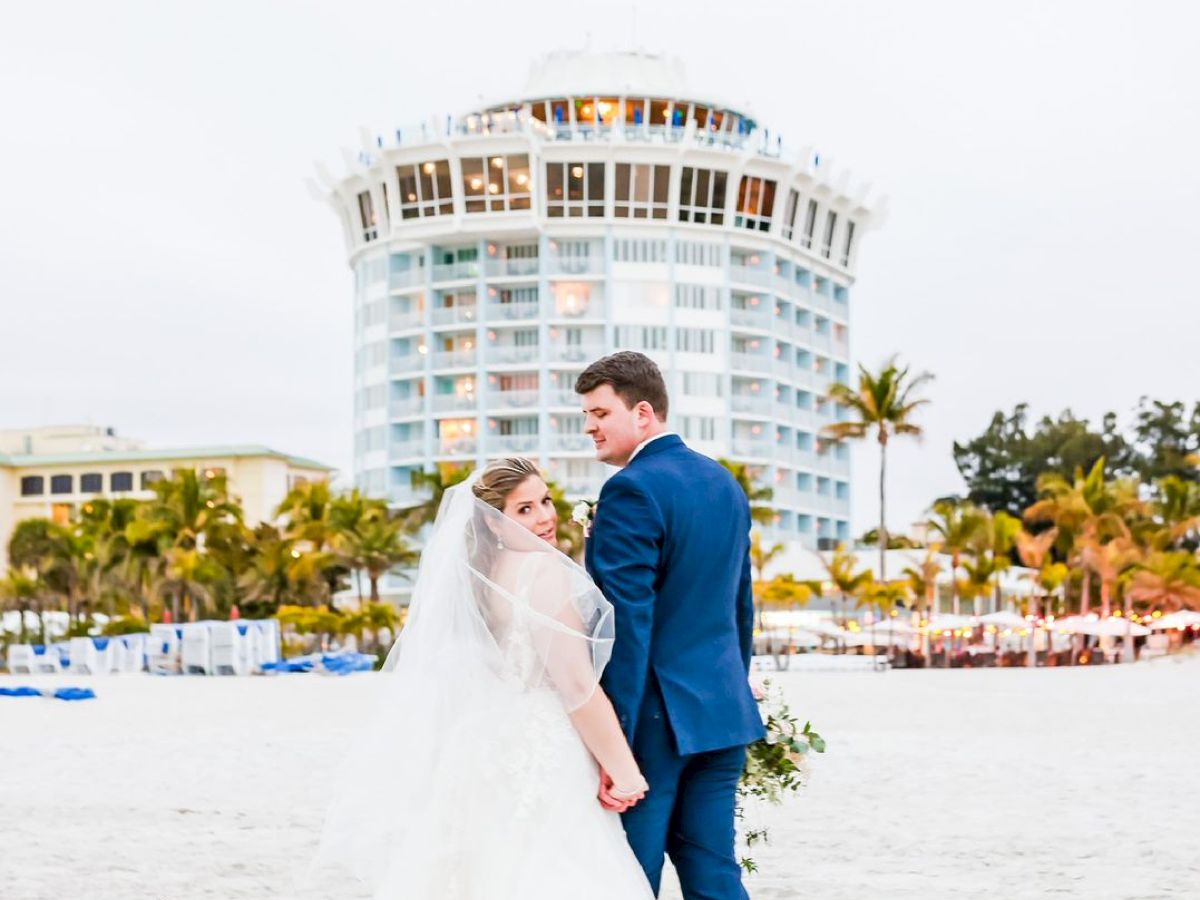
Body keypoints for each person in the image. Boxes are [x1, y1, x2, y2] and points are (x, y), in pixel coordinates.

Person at [312, 458, 654, 899]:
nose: (545, 516)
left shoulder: (482, 578)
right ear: (494, 523)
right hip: (543, 744)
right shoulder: (543, 570)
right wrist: (624, 771)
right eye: (524, 509)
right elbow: (575, 685)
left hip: (486, 745)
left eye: (545, 501)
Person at [577, 351, 766, 899]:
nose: (589, 427)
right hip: (721, 714)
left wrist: (616, 746)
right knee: (714, 872)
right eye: (585, 416)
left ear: (642, 414)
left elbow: (627, 625)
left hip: (654, 725)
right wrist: (733, 684)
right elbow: (740, 609)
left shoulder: (631, 490)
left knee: (628, 877)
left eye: (599, 414)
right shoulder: (724, 483)